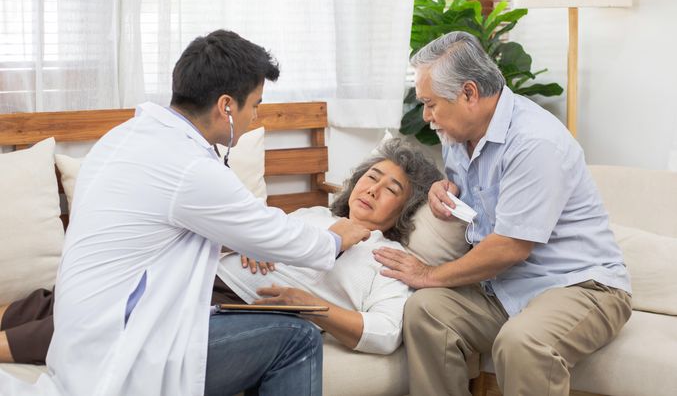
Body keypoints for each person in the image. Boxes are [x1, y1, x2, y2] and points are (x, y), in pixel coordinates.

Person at [0, 29, 370, 396]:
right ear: (226, 106)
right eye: (255, 105)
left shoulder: (125, 136)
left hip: (85, 338)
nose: (255, 118)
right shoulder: (189, 167)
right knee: (297, 339)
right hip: (126, 352)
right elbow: (283, 238)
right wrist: (338, 236)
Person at [0, 138, 443, 361]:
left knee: (110, 322)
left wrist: (311, 307)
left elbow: (385, 334)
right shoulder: (312, 217)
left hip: (234, 306)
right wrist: (252, 242)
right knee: (74, 297)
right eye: (372, 177)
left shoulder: (387, 258)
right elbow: (244, 232)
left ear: (402, 210)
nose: (374, 189)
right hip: (202, 271)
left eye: (391, 189)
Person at [372, 31, 632, 396]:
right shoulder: (457, 137)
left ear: (468, 94)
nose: (427, 116)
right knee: (426, 312)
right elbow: (480, 202)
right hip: (505, 286)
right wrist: (442, 190)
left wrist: (430, 273)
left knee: (521, 342)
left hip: (580, 285)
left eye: (431, 104)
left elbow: (510, 247)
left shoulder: (534, 141)